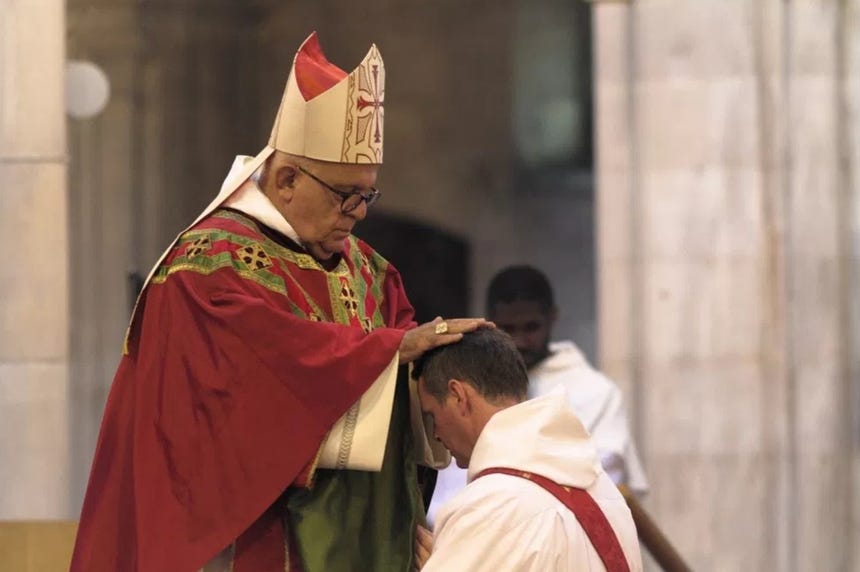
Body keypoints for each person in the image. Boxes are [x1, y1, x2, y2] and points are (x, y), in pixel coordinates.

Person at [70, 32, 486, 572]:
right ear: (287, 178)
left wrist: (397, 512)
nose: (360, 212)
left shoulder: (370, 272)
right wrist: (386, 352)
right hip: (249, 545)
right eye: (346, 195)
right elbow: (231, 411)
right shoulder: (205, 269)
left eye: (368, 194)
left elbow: (397, 403)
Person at [428, 265, 648, 524]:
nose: (520, 341)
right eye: (508, 328)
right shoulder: (467, 384)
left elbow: (601, 482)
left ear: (552, 318)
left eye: (531, 328)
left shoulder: (597, 393)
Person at [412, 329, 642, 571]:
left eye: (432, 415)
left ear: (459, 396)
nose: (435, 434)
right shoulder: (604, 491)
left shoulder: (488, 507)